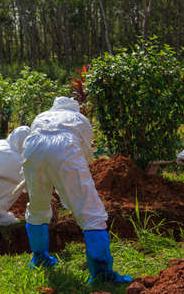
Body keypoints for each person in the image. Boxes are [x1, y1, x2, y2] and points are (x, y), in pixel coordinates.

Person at [21, 96, 132, 284]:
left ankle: (39, 258)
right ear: (75, 109)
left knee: (38, 205)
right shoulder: (80, 119)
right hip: (64, 148)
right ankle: (101, 274)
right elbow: (87, 154)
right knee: (91, 213)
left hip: (32, 149)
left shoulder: (41, 116)